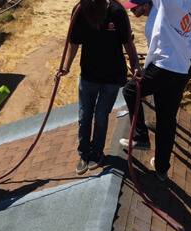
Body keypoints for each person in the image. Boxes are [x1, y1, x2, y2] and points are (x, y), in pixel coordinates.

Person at [56, 0, 139, 175]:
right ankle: (84, 154)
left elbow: (128, 43)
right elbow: (74, 43)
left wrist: (136, 67)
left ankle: (97, 152)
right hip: (89, 76)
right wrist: (66, 67)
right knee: (84, 115)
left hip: (112, 76)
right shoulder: (79, 11)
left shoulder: (117, 12)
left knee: (101, 116)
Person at [119, 0, 191, 181]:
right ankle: (162, 167)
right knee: (166, 119)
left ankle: (141, 137)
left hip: (165, 67)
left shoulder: (168, 6)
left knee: (131, 90)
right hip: (180, 70)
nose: (132, 11)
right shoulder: (190, 5)